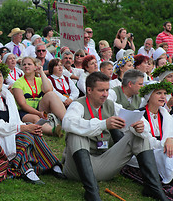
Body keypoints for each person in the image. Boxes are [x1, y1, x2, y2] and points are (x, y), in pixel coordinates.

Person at [62, 71, 168, 201]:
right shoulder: (78, 104)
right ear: (89, 90)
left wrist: (140, 127)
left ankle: (153, 188)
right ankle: (92, 192)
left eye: (107, 90)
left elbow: (132, 116)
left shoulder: (111, 105)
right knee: (75, 135)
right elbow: (67, 123)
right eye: (101, 90)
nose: (105, 94)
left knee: (138, 136)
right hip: (75, 169)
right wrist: (103, 124)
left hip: (103, 164)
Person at [0, 63, 65, 184]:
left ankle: (51, 165)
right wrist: (23, 128)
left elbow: (16, 120)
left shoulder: (7, 96)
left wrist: (29, 127)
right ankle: (28, 169)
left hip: (11, 132)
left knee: (35, 132)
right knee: (26, 136)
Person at [12, 57, 66, 136]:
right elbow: (22, 104)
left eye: (29, 64)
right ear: (21, 68)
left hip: (39, 108)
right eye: (24, 64)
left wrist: (41, 72)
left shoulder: (39, 80)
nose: (26, 66)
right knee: (35, 118)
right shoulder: (18, 83)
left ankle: (67, 122)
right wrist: (38, 113)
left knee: (51, 94)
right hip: (24, 112)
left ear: (35, 67)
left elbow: (49, 90)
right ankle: (53, 131)